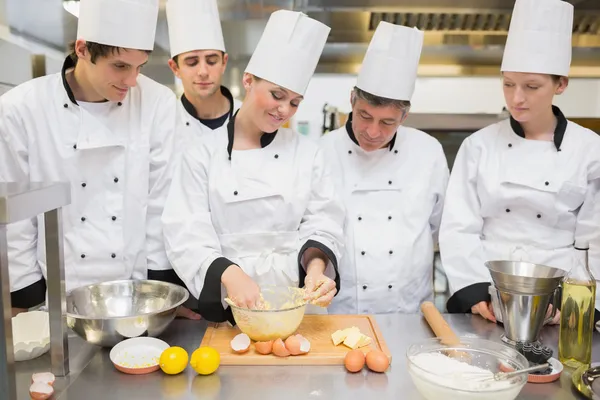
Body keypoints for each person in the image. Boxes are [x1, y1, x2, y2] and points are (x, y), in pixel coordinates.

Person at [162, 10, 344, 323]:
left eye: (295, 102)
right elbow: (186, 233)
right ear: (248, 80)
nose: (284, 110)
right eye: (277, 95)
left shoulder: (310, 154)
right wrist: (230, 273)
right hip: (230, 302)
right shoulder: (201, 154)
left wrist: (316, 270)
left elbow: (323, 221)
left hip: (298, 307)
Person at [0, 0, 179, 316]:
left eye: (140, 66)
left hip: (138, 296)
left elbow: (161, 203)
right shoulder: (20, 109)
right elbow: (16, 214)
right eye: (120, 66)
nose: (132, 81)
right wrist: (26, 296)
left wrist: (162, 290)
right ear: (82, 49)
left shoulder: (158, 103)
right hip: (54, 299)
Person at [440, 0, 600, 323]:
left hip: (560, 310)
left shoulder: (590, 150)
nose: (516, 98)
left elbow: (594, 238)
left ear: (561, 84)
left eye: (531, 86)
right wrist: (476, 294)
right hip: (490, 306)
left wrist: (570, 302)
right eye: (508, 84)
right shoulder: (478, 147)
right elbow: (459, 229)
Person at [320, 22, 449, 314]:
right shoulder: (321, 153)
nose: (373, 132)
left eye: (387, 122)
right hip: (340, 313)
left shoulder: (428, 152)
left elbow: (444, 230)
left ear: (404, 116)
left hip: (410, 312)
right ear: (352, 100)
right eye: (364, 116)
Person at [165, 0, 241, 150]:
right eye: (192, 62)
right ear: (175, 68)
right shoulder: (166, 126)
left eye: (212, 61)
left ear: (224, 63)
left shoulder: (248, 119)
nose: (203, 72)